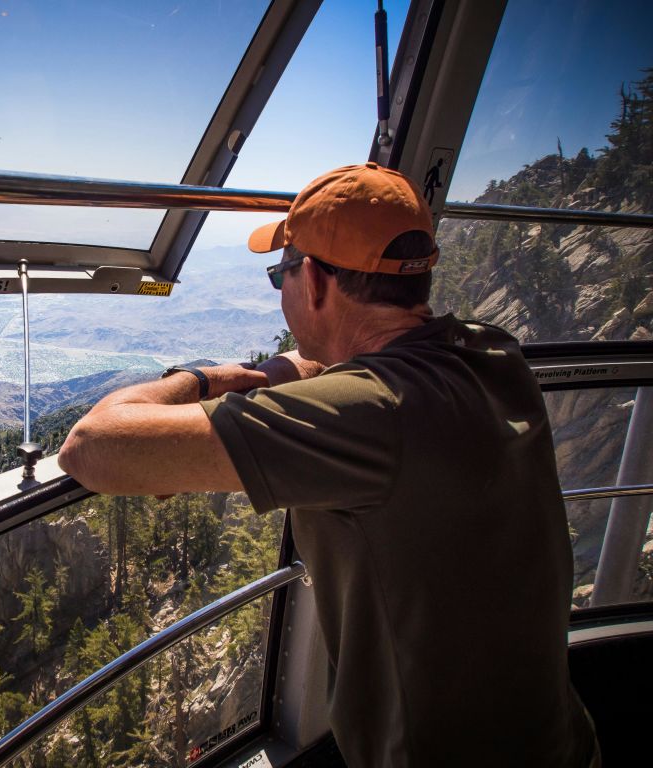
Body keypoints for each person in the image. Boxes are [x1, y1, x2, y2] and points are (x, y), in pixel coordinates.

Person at [57, 163, 598, 767]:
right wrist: (272, 375)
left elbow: (92, 446)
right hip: (560, 742)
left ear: (312, 281)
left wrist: (200, 378)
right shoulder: (490, 351)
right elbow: (346, 363)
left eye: (277, 274)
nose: (280, 290)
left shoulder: (371, 416)